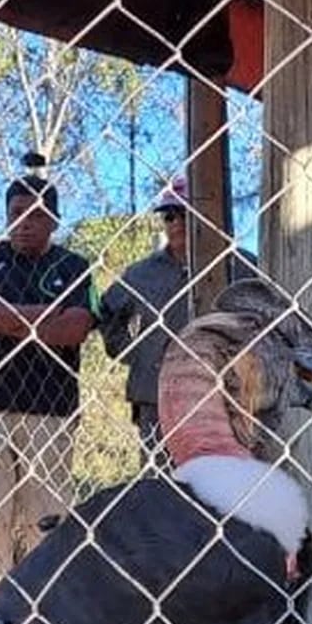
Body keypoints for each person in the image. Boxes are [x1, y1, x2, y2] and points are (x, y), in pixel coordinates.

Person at [0, 165, 95, 605]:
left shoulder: (75, 266)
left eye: (36, 214)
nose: (25, 222)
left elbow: (75, 327)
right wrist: (41, 318)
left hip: (52, 411)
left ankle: (48, 606)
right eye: (16, 212)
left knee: (48, 516)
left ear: (53, 220)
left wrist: (10, 319)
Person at [99, 174, 257, 460]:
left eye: (185, 214)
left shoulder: (243, 266)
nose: (177, 223)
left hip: (226, 400)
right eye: (169, 216)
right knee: (162, 488)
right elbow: (108, 313)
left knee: (226, 488)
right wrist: (136, 355)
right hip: (157, 400)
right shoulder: (141, 274)